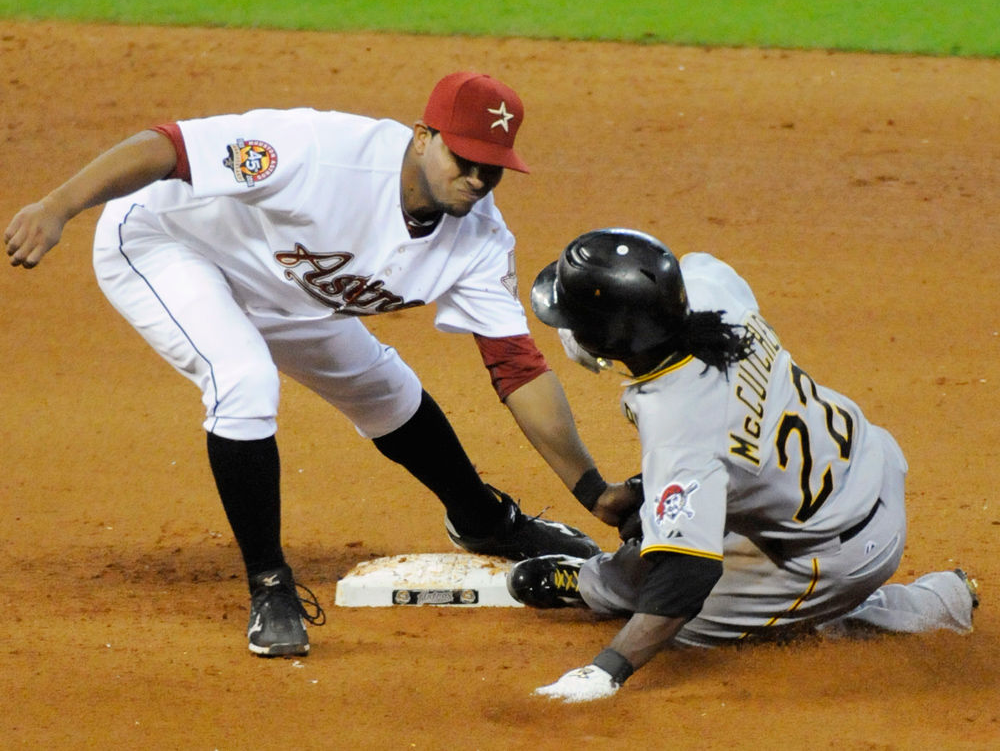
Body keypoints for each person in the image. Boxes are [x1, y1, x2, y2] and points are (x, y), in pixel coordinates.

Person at [4, 72, 621, 658]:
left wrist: (591, 489)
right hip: (167, 245)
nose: (478, 179)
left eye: (494, 169)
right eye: (465, 160)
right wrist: (59, 206)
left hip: (286, 286)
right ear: (423, 137)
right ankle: (269, 585)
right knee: (244, 379)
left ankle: (483, 521)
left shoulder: (480, 241)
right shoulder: (319, 154)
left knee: (384, 387)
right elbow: (168, 146)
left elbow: (519, 371)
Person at [506, 227, 980, 702]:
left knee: (680, 628)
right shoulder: (708, 287)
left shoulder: (681, 428)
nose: (566, 330)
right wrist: (641, 490)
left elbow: (682, 587)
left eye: (575, 323)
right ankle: (599, 584)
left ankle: (925, 604)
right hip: (866, 459)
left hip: (839, 553)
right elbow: (733, 425)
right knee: (664, 529)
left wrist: (607, 670)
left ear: (612, 341)